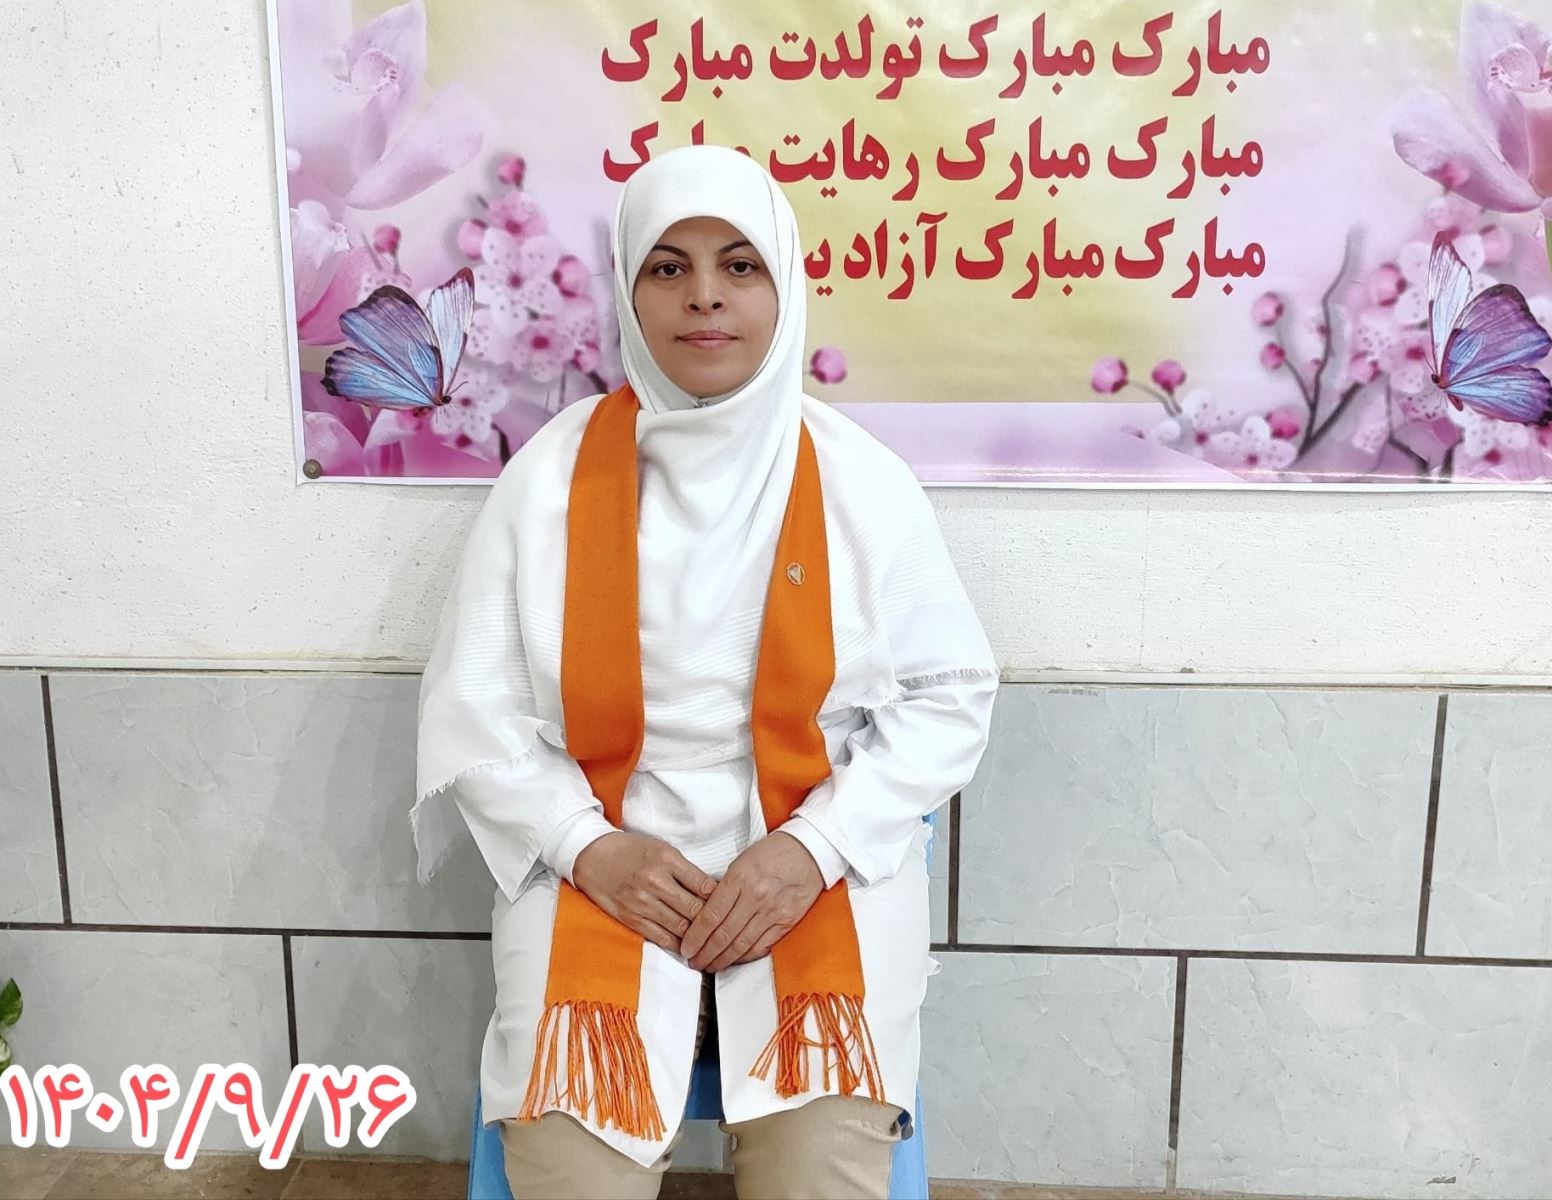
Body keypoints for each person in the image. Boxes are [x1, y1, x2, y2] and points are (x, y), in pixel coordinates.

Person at [412, 144, 999, 1199]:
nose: (704, 298)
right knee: (570, 1169)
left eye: (739, 265)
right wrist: (585, 846)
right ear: (629, 289)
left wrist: (813, 847)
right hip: (603, 868)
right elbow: (478, 710)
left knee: (824, 1168)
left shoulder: (864, 483)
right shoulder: (547, 482)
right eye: (667, 267)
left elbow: (948, 697)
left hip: (811, 868)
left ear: (785, 285)